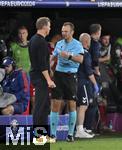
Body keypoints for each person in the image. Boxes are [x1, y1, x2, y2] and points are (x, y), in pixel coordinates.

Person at [50, 22, 84, 142]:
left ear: (72, 32)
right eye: (62, 31)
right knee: (55, 104)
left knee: (71, 105)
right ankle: (53, 135)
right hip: (58, 75)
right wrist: (47, 66)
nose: (63, 33)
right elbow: (53, 57)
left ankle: (70, 134)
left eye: (66, 31)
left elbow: (80, 59)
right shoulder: (59, 43)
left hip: (70, 76)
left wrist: (68, 56)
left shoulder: (77, 45)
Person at [28, 17, 56, 126]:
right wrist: (48, 79)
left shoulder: (33, 39)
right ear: (44, 26)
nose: (50, 28)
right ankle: (38, 136)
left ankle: (42, 135)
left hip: (38, 76)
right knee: (40, 107)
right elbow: (42, 64)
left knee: (45, 106)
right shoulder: (40, 42)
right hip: (41, 78)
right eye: (49, 26)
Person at [75, 33, 99, 138]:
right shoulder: (86, 54)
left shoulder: (76, 52)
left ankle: (76, 129)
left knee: (77, 106)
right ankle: (80, 130)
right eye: (88, 41)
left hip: (74, 81)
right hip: (82, 82)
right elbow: (89, 72)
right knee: (83, 106)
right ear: (86, 41)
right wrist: (95, 84)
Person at [10, 26, 35, 114]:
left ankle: (34, 119)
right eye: (20, 33)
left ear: (27, 34)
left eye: (23, 33)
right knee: (19, 100)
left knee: (33, 100)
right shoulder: (13, 46)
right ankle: (21, 121)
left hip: (31, 76)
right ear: (18, 34)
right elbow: (9, 62)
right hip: (19, 78)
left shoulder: (32, 45)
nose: (22, 35)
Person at [84, 24, 102, 133]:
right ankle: (88, 128)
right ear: (98, 32)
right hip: (91, 77)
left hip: (83, 76)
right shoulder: (95, 44)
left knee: (83, 104)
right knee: (93, 103)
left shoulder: (85, 44)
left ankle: (81, 127)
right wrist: (98, 72)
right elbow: (95, 61)